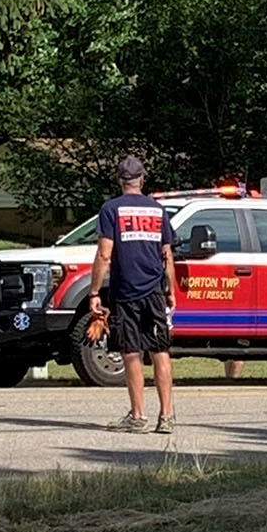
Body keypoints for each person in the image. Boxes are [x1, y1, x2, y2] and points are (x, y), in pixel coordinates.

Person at [90, 155, 176, 433]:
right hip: (154, 290)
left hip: (126, 291)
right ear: (142, 179)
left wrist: (94, 292)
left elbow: (104, 253)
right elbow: (167, 254)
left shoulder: (111, 209)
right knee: (160, 350)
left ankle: (138, 416)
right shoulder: (157, 210)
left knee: (131, 352)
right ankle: (167, 416)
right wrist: (170, 290)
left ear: (119, 179)